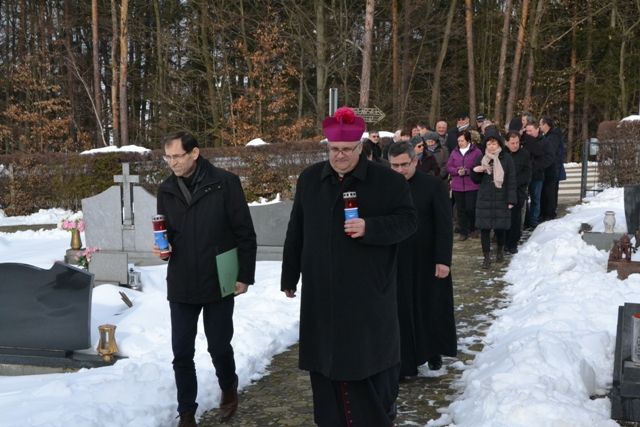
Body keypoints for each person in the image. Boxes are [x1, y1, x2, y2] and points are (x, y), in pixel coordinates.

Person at [281, 107, 417, 426]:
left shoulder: (387, 180)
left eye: (346, 149)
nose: (339, 155)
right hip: (321, 290)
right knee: (325, 361)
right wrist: (290, 275)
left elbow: (408, 221)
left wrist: (371, 227)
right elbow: (296, 228)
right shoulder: (310, 179)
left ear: (360, 148)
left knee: (366, 360)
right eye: (333, 149)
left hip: (367, 290)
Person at [154, 131, 257, 426]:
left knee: (219, 346)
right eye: (168, 157)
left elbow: (245, 232)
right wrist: (163, 248)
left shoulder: (225, 183)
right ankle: (186, 411)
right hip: (182, 280)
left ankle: (228, 384)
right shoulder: (166, 189)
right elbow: (165, 232)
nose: (172, 163)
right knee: (181, 352)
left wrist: (244, 276)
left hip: (219, 278)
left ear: (194, 153)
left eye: (177, 156)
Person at [388, 141, 456, 376]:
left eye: (404, 165)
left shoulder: (433, 185)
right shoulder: (385, 187)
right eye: (394, 166)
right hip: (397, 258)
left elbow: (444, 225)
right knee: (400, 311)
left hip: (428, 259)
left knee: (429, 306)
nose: (400, 170)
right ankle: (404, 362)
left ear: (415, 161)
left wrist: (443, 260)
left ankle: (432, 350)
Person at [471, 129, 517, 269]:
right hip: (484, 198)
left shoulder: (506, 158)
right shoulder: (481, 158)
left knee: (500, 228)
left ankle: (499, 252)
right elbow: (475, 180)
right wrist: (476, 171)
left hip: (501, 197)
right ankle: (486, 257)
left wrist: (511, 200)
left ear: (499, 144)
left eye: (494, 143)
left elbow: (511, 180)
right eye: (489, 144)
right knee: (484, 229)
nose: (491, 146)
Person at [446, 130, 483, 241]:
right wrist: (457, 171)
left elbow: (480, 167)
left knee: (471, 208)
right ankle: (463, 232)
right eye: (458, 141)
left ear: (468, 140)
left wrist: (467, 171)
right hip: (457, 186)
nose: (460, 143)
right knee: (460, 210)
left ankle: (473, 228)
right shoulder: (454, 152)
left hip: (472, 185)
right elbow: (449, 167)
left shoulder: (477, 152)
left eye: (462, 141)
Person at [504, 132, 532, 254]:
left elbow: (527, 173)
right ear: (507, 143)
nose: (515, 145)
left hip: (518, 191)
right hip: (504, 191)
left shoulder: (524, 154)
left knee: (515, 219)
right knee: (505, 218)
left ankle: (513, 243)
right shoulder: (502, 153)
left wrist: (514, 183)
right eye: (512, 143)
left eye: (517, 143)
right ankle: (504, 242)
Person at [539, 116, 566, 221]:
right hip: (551, 168)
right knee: (549, 192)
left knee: (550, 192)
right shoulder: (549, 136)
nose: (539, 126)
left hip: (552, 169)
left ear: (546, 125)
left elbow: (551, 153)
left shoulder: (553, 137)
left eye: (541, 124)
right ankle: (548, 213)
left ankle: (549, 214)